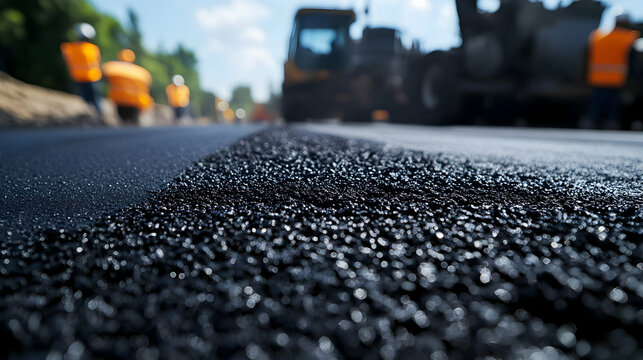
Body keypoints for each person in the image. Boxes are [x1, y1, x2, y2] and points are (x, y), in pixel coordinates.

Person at [584, 12, 640, 130]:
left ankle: (591, 122)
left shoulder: (598, 36)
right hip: (617, 78)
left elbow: (586, 56)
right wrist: (633, 77)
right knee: (613, 104)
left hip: (597, 77)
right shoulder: (628, 38)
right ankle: (612, 123)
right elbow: (631, 61)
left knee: (597, 102)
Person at [60, 23, 103, 114]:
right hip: (92, 77)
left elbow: (65, 55)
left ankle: (92, 114)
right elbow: (98, 62)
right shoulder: (93, 48)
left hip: (78, 77)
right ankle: (98, 115)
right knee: (95, 100)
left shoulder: (69, 47)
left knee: (85, 99)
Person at [102, 49, 154, 123]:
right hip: (135, 101)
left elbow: (104, 75)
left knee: (122, 120)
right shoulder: (141, 72)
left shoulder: (112, 67)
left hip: (119, 99)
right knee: (133, 122)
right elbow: (146, 86)